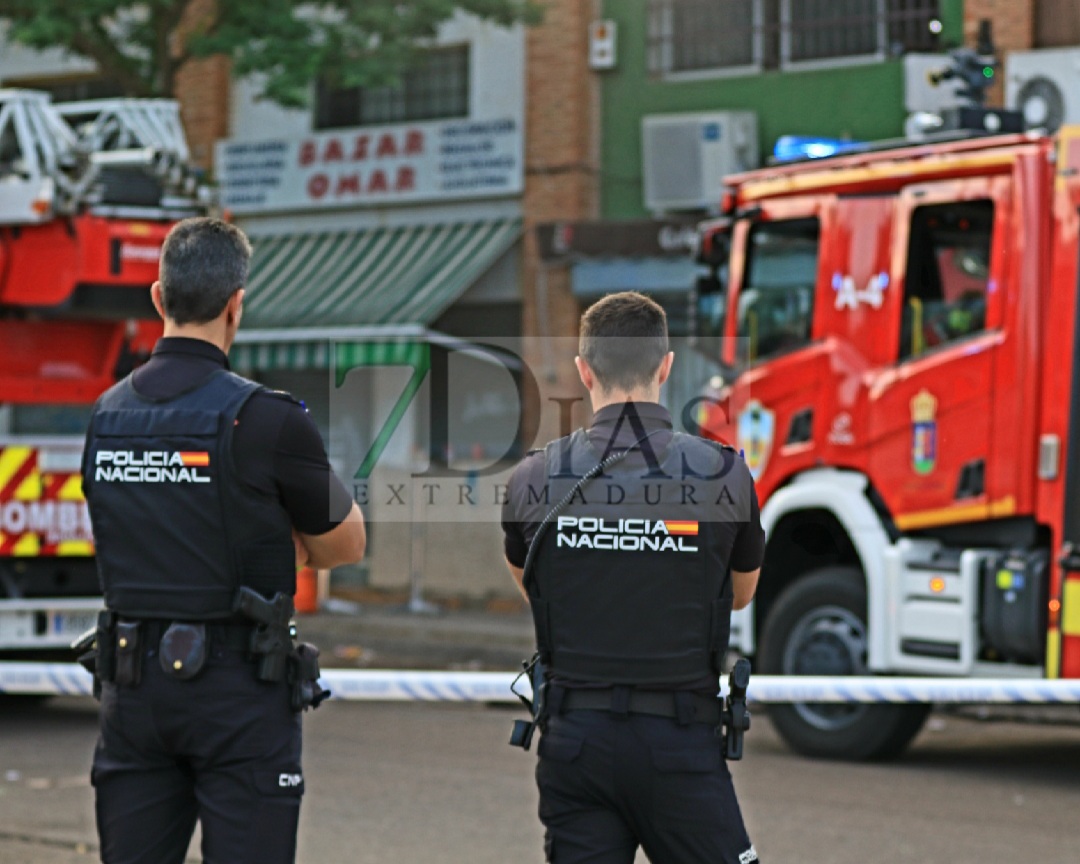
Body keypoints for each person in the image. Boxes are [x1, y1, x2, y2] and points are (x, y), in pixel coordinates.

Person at [80, 217, 365, 864]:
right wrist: (281, 540)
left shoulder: (106, 416)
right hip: (239, 693)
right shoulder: (266, 418)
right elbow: (346, 544)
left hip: (133, 692)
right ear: (238, 304)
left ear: (158, 298)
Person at [501, 291, 764, 864]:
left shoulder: (532, 478)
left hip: (575, 746)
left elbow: (535, 589)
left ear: (583, 370)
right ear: (666, 366)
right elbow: (740, 596)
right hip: (680, 746)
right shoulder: (725, 474)